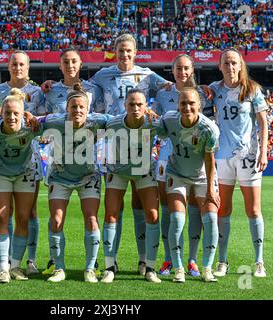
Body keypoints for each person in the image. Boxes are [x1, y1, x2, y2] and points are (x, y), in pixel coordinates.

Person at [90, 33, 169, 276]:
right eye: (121, 50)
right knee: (114, 209)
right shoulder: (103, 74)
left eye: (129, 51)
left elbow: (172, 87)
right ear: (116, 52)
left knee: (142, 206)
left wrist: (202, 88)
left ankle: (145, 261)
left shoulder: (147, 74)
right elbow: (82, 88)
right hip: (115, 145)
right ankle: (110, 264)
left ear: (135, 52)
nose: (125, 54)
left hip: (142, 145)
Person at [37, 83, 111, 283]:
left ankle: (89, 268)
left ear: (88, 110)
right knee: (57, 220)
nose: (77, 110)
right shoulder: (54, 121)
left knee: (91, 218)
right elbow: (33, 122)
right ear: (66, 109)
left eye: (81, 108)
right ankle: (59, 268)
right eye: (73, 107)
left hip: (88, 176)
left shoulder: (98, 120)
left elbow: (121, 121)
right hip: (60, 176)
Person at [152, 54, 214, 277]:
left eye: (186, 68)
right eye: (178, 68)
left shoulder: (204, 94)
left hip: (195, 160)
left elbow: (207, 126)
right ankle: (169, 260)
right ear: (172, 70)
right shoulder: (162, 92)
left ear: (193, 69)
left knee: (195, 210)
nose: (182, 72)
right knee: (169, 210)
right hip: (166, 157)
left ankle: (193, 260)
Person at [210, 48, 268, 278]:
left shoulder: (253, 90)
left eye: (234, 63)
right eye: (226, 63)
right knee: (223, 210)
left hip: (249, 158)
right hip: (223, 157)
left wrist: (264, 152)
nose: (230, 67)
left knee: (253, 210)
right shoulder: (214, 89)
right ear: (220, 66)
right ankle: (222, 261)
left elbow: (263, 123)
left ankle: (259, 261)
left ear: (241, 65)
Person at [0, 50, 45, 275]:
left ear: (28, 67)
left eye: (22, 64)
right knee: (4, 213)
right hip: (1, 157)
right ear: (8, 66)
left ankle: (28, 260)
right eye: (14, 64)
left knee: (29, 212)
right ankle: (7, 261)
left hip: (29, 156)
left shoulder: (39, 92)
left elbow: (44, 121)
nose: (18, 67)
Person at [0, 88, 39, 284]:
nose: (12, 117)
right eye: (7, 113)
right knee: (2, 217)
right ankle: (3, 267)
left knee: (22, 218)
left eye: (16, 113)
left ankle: (16, 265)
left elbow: (58, 119)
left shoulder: (31, 126)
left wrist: (33, 116)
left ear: (23, 114)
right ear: (1, 114)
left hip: (25, 174)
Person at [160, 87, 220, 283]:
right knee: (177, 220)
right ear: (177, 105)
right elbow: (156, 130)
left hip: (203, 177)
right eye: (183, 103)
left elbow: (210, 160)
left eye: (191, 103)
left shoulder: (209, 128)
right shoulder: (169, 119)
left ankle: (207, 268)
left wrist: (211, 188)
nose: (187, 107)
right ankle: (178, 268)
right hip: (177, 174)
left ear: (199, 105)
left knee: (210, 218)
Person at [101, 89, 161, 284]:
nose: (135, 108)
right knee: (111, 214)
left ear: (146, 107)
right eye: (131, 104)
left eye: (139, 105)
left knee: (152, 215)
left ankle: (148, 265)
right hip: (118, 170)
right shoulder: (113, 123)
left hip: (143, 171)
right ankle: (110, 265)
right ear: (125, 106)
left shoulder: (153, 123)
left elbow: (173, 126)